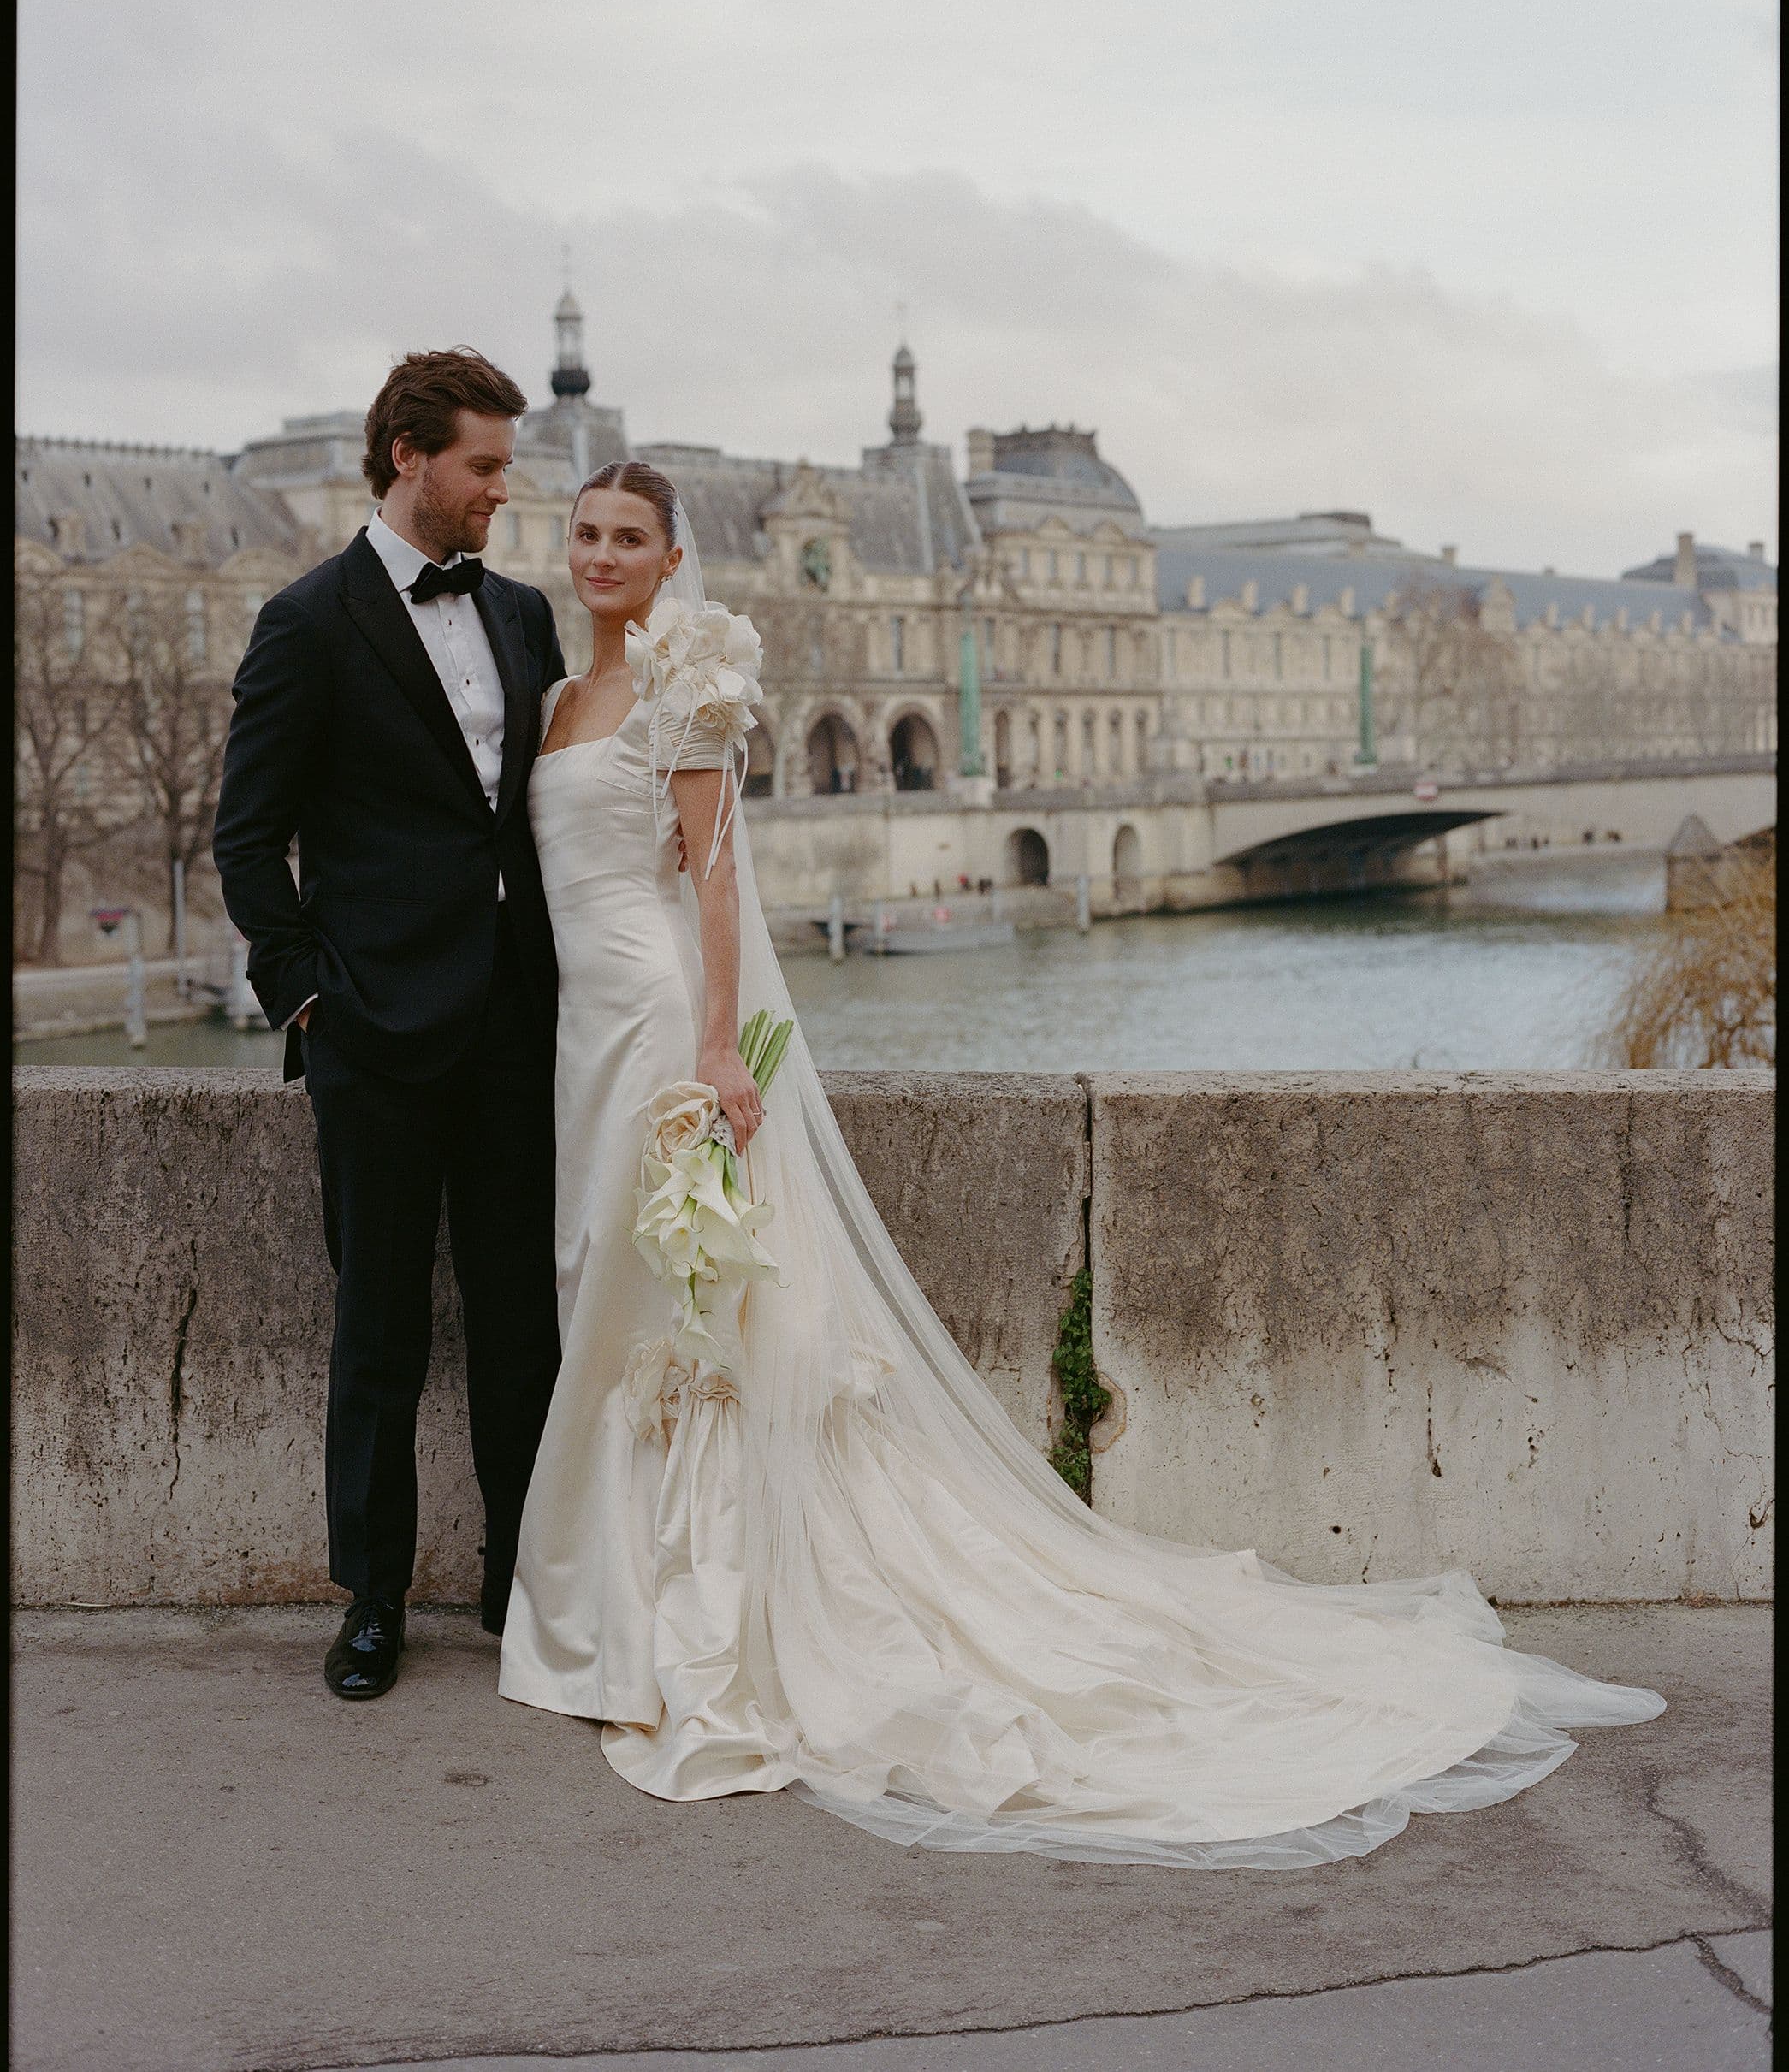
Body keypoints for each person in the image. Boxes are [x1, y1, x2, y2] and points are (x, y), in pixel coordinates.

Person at [498, 458, 1665, 1868]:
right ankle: (628, 1600)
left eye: (630, 536)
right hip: (584, 1028)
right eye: (587, 533)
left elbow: (723, 879)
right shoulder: (563, 701)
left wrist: (724, 1049)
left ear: (675, 556)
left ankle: (664, 1612)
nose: (603, 553)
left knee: (677, 1307)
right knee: (612, 1294)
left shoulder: (688, 685)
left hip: (661, 1025)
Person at [214, 346, 566, 1702]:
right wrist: (307, 996)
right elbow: (248, 840)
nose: (500, 490)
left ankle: (520, 1578)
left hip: (512, 1023)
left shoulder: (524, 615)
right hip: (373, 1031)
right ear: (410, 457)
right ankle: (372, 1599)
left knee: (519, 1321)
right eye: (483, 466)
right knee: (378, 1332)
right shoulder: (307, 621)